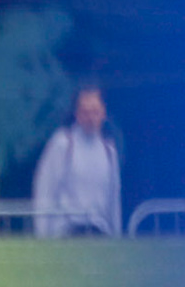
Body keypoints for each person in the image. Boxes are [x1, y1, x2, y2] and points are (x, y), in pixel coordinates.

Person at [30, 86, 123, 238]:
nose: (91, 118)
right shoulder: (62, 143)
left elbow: (114, 200)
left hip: (100, 233)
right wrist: (42, 237)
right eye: (86, 112)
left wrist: (116, 238)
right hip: (66, 233)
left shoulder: (109, 150)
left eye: (95, 111)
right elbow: (45, 191)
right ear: (77, 114)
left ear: (103, 113)